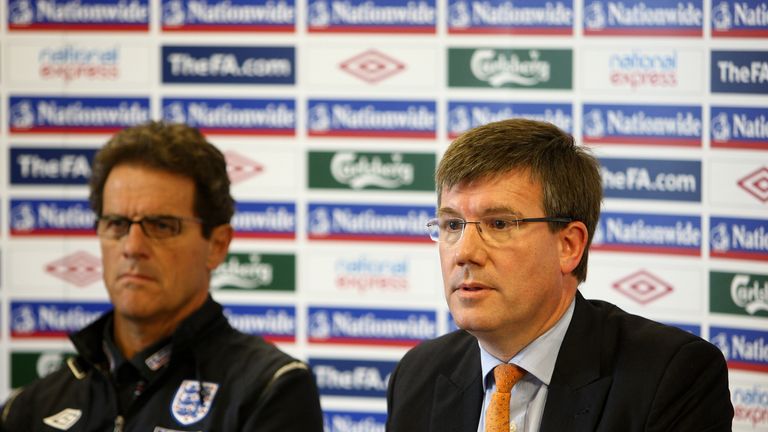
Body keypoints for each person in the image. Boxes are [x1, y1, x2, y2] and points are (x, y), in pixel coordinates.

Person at [386, 119, 733, 431]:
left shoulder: (670, 377)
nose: (464, 252)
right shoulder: (418, 376)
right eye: (452, 224)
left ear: (568, 245)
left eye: (500, 224)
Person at [0, 121, 324, 431]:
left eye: (162, 226)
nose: (132, 246)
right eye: (117, 224)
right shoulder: (30, 407)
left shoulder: (269, 388)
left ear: (217, 244)